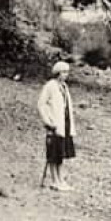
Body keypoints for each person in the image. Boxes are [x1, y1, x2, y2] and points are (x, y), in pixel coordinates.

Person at [36, 60, 77, 191]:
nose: (66, 74)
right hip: (54, 125)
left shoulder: (64, 87)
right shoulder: (50, 86)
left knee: (61, 153)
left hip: (64, 124)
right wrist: (48, 121)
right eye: (63, 72)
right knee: (54, 154)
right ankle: (55, 180)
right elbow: (41, 104)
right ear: (57, 72)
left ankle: (61, 179)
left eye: (67, 72)